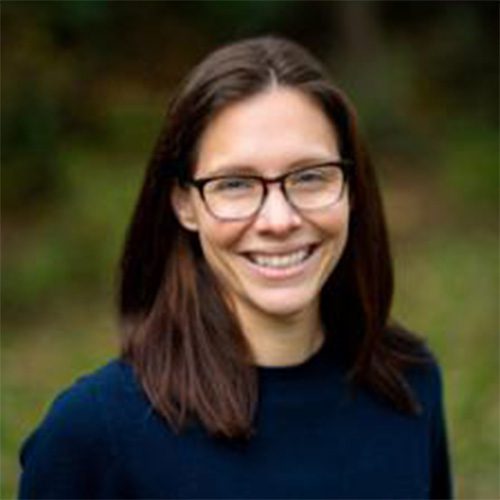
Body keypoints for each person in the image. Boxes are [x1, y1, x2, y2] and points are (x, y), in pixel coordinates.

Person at [19, 36, 452, 499]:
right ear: (184, 204)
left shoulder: (410, 385)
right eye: (236, 184)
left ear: (351, 188)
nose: (279, 220)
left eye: (309, 176)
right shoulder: (94, 434)